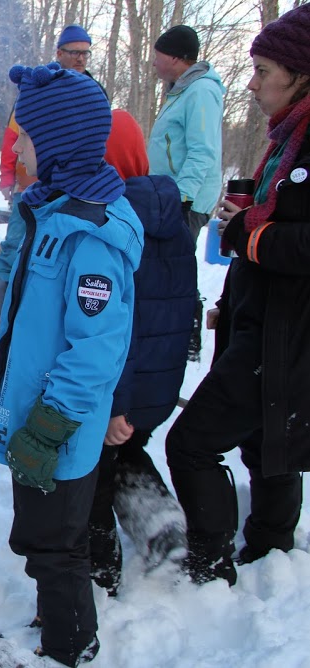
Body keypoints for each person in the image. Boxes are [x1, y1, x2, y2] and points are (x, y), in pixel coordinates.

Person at [0, 63, 143, 667]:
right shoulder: (51, 208)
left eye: (29, 136)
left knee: (55, 543)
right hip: (35, 411)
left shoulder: (90, 236)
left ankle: (71, 644)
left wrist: (49, 422)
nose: (20, 146)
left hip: (58, 423)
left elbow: (95, 350)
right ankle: (54, 613)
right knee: (42, 532)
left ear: (60, 142)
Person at [165, 3, 310, 587]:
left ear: (300, 74)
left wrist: (250, 235)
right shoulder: (291, 134)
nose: (251, 84)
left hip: (286, 335)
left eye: (262, 72)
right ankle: (272, 544)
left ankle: (211, 558)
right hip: (264, 321)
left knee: (192, 443)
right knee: (265, 438)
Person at [88, 110, 197, 596]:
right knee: (127, 447)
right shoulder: (172, 220)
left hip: (121, 385)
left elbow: (119, 327)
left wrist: (116, 404)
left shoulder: (113, 223)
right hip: (157, 380)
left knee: (94, 468)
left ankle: (98, 567)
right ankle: (160, 525)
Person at [0, 24, 105, 318]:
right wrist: (8, 175)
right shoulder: (37, 88)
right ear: (60, 53)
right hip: (29, 185)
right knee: (15, 243)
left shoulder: (93, 92)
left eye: (85, 53)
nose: (81, 59)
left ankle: (36, 308)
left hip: (72, 189)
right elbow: (13, 137)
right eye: (74, 52)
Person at [148, 25, 223, 363]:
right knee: (166, 264)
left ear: (176, 58)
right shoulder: (179, 91)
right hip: (170, 196)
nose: (153, 62)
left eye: (158, 56)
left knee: (175, 265)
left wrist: (182, 197)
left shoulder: (201, 91)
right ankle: (167, 330)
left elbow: (203, 151)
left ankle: (187, 335)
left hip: (185, 201)